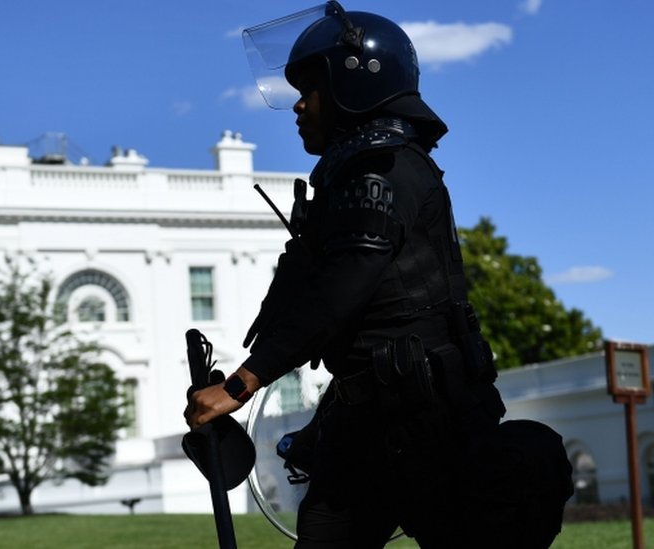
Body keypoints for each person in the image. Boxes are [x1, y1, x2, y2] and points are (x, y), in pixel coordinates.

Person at [184, 2, 518, 547]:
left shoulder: (381, 169)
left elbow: (344, 286)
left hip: (425, 420)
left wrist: (243, 383)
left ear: (354, 89)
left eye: (311, 88)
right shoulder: (355, 172)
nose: (298, 104)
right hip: (367, 415)